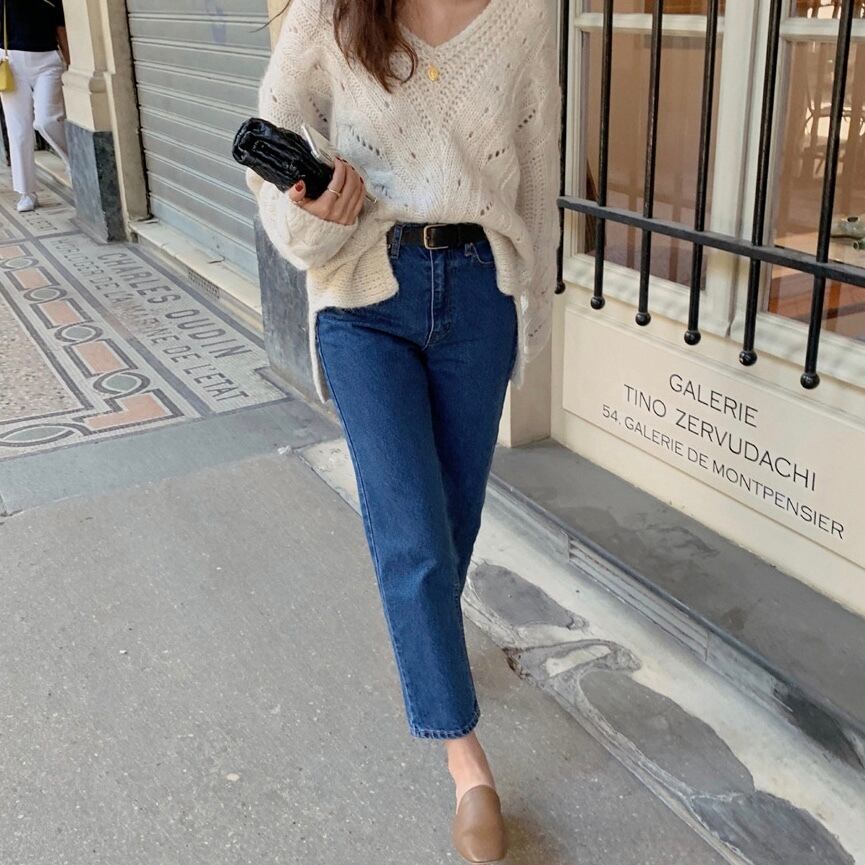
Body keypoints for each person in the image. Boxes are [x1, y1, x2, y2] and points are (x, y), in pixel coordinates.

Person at [247, 0, 560, 860]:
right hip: (362, 293)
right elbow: (270, 168)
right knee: (411, 533)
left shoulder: (523, 15)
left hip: (480, 292)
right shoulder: (331, 13)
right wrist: (316, 211)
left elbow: (537, 173)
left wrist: (530, 315)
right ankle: (466, 761)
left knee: (453, 515)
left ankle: (432, 642)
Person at [0, 0, 70, 212]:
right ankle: (26, 192)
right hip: (10, 62)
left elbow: (61, 29)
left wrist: (70, 63)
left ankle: (74, 162)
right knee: (19, 131)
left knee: (47, 120)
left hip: (48, 61)